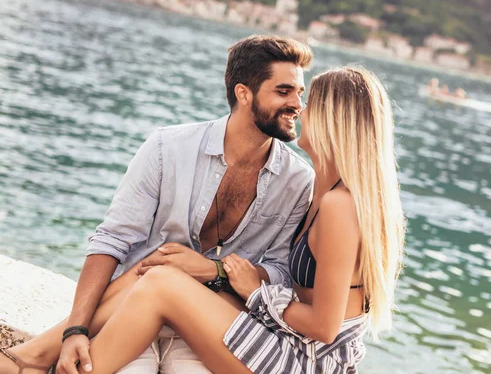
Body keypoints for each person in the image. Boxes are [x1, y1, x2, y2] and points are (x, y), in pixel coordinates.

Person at [0, 34, 315, 374]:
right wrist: (75, 329)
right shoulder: (168, 147)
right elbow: (112, 240)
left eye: (300, 92)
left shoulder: (298, 181)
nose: (298, 103)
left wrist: (217, 271)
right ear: (244, 93)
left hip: (208, 325)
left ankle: (30, 357)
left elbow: (283, 273)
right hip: (130, 309)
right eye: (284, 91)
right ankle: (35, 354)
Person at [66, 66, 404, 373]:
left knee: (161, 283)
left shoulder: (340, 205)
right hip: (291, 339)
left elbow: (324, 326)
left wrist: (257, 291)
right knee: (164, 270)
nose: (301, 109)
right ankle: (50, 347)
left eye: (310, 102)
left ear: (334, 120)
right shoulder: (321, 188)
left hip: (307, 360)